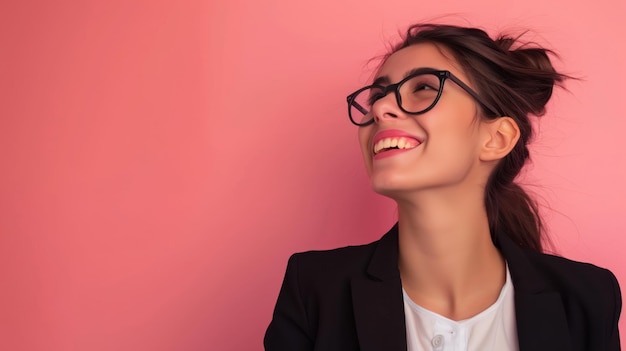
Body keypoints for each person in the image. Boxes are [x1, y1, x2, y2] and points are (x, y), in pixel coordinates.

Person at [264, 23, 622, 351]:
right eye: (377, 97)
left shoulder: (587, 298)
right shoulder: (315, 289)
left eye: (423, 87)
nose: (383, 107)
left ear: (497, 138)